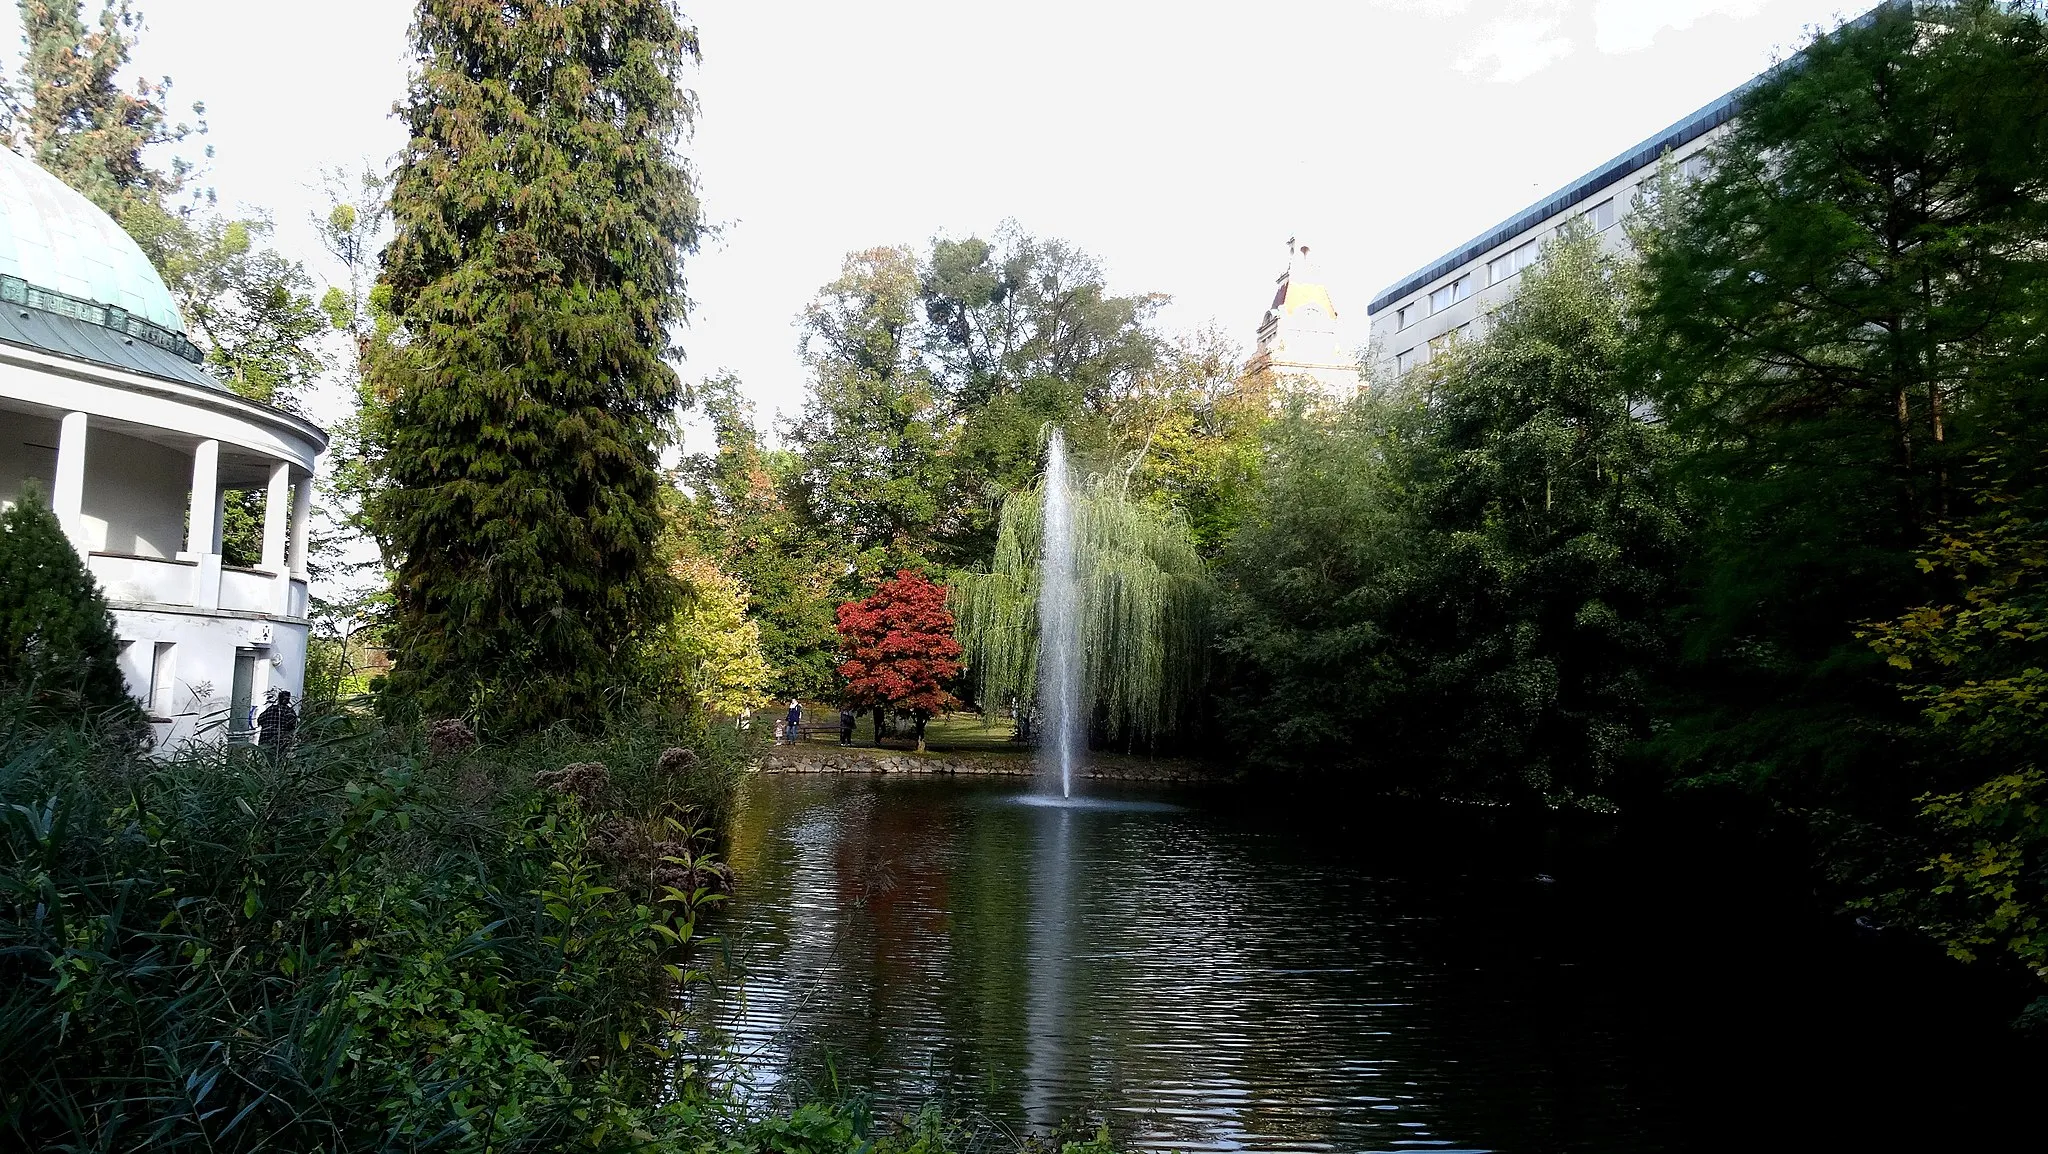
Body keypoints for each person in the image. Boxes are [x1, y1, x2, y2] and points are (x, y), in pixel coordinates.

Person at [255, 690, 297, 758]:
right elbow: (293, 726)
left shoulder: (270, 709)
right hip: (280, 743)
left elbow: (259, 720)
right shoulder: (289, 711)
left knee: (265, 760)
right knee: (278, 761)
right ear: (288, 700)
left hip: (265, 741)